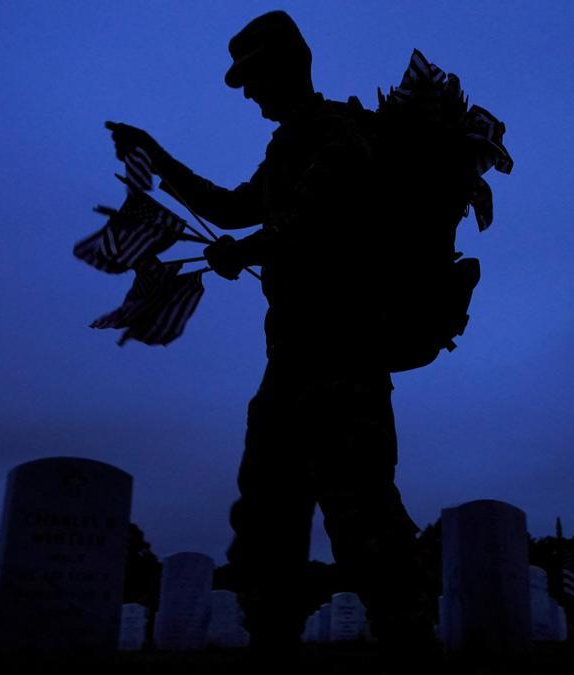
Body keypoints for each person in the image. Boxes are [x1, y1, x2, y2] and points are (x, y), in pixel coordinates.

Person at [107, 10, 435, 665]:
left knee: (363, 515)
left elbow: (311, 216)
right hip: (287, 361)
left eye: (254, 79)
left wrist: (246, 248)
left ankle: (408, 641)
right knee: (265, 517)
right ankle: (271, 638)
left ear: (288, 68)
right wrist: (157, 156)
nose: (248, 93)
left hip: (344, 356)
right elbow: (231, 207)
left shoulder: (340, 134)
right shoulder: (285, 147)